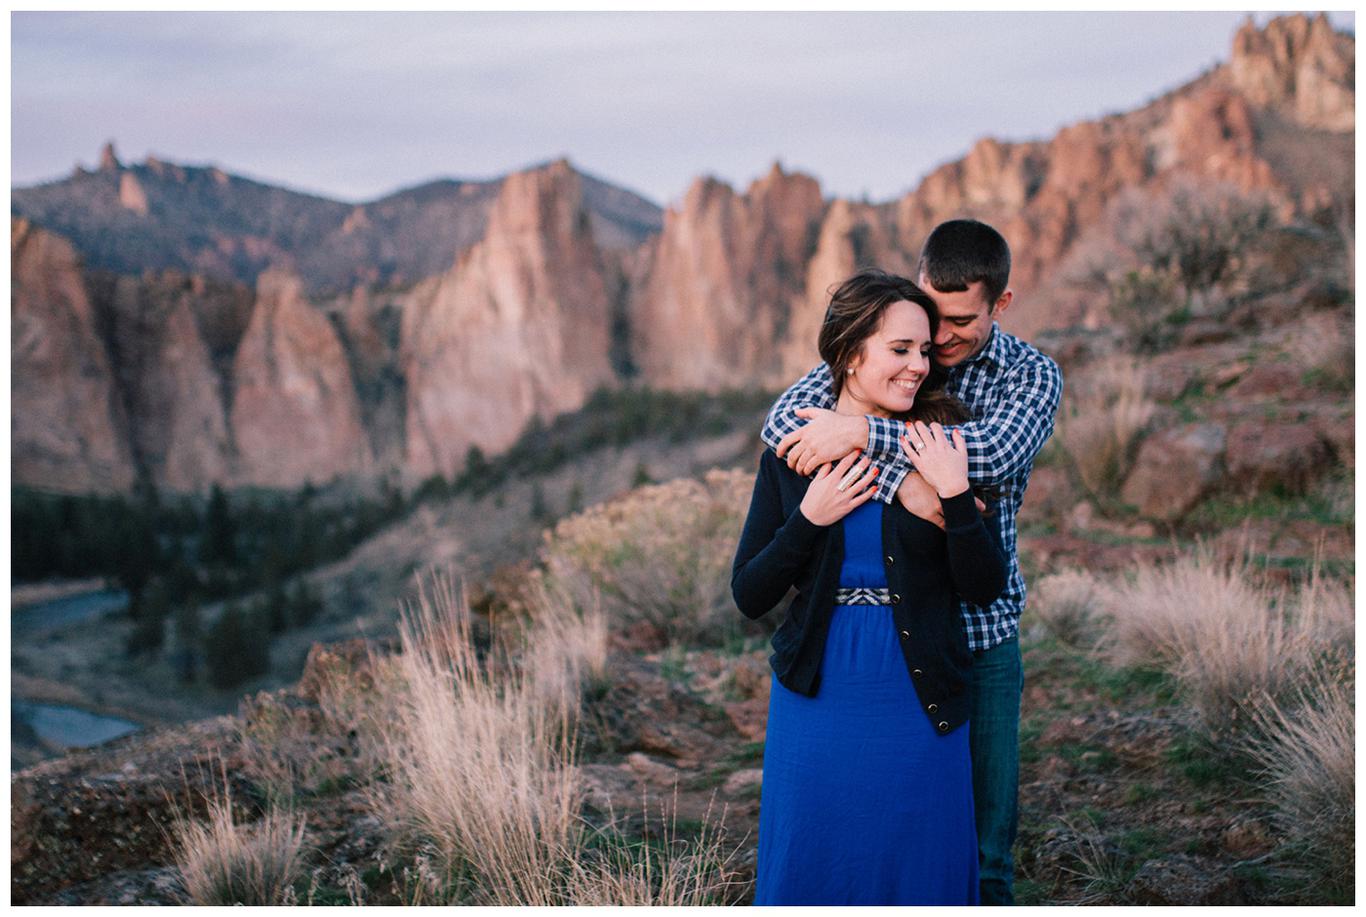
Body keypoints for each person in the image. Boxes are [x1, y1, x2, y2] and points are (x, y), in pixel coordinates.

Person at [759, 219, 1063, 905]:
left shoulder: (1031, 375)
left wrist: (858, 431)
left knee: (984, 843)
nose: (939, 341)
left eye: (960, 322)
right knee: (892, 829)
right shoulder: (900, 348)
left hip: (981, 630)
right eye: (930, 317)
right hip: (899, 641)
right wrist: (905, 483)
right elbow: (782, 426)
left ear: (1001, 304)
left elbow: (990, 457)